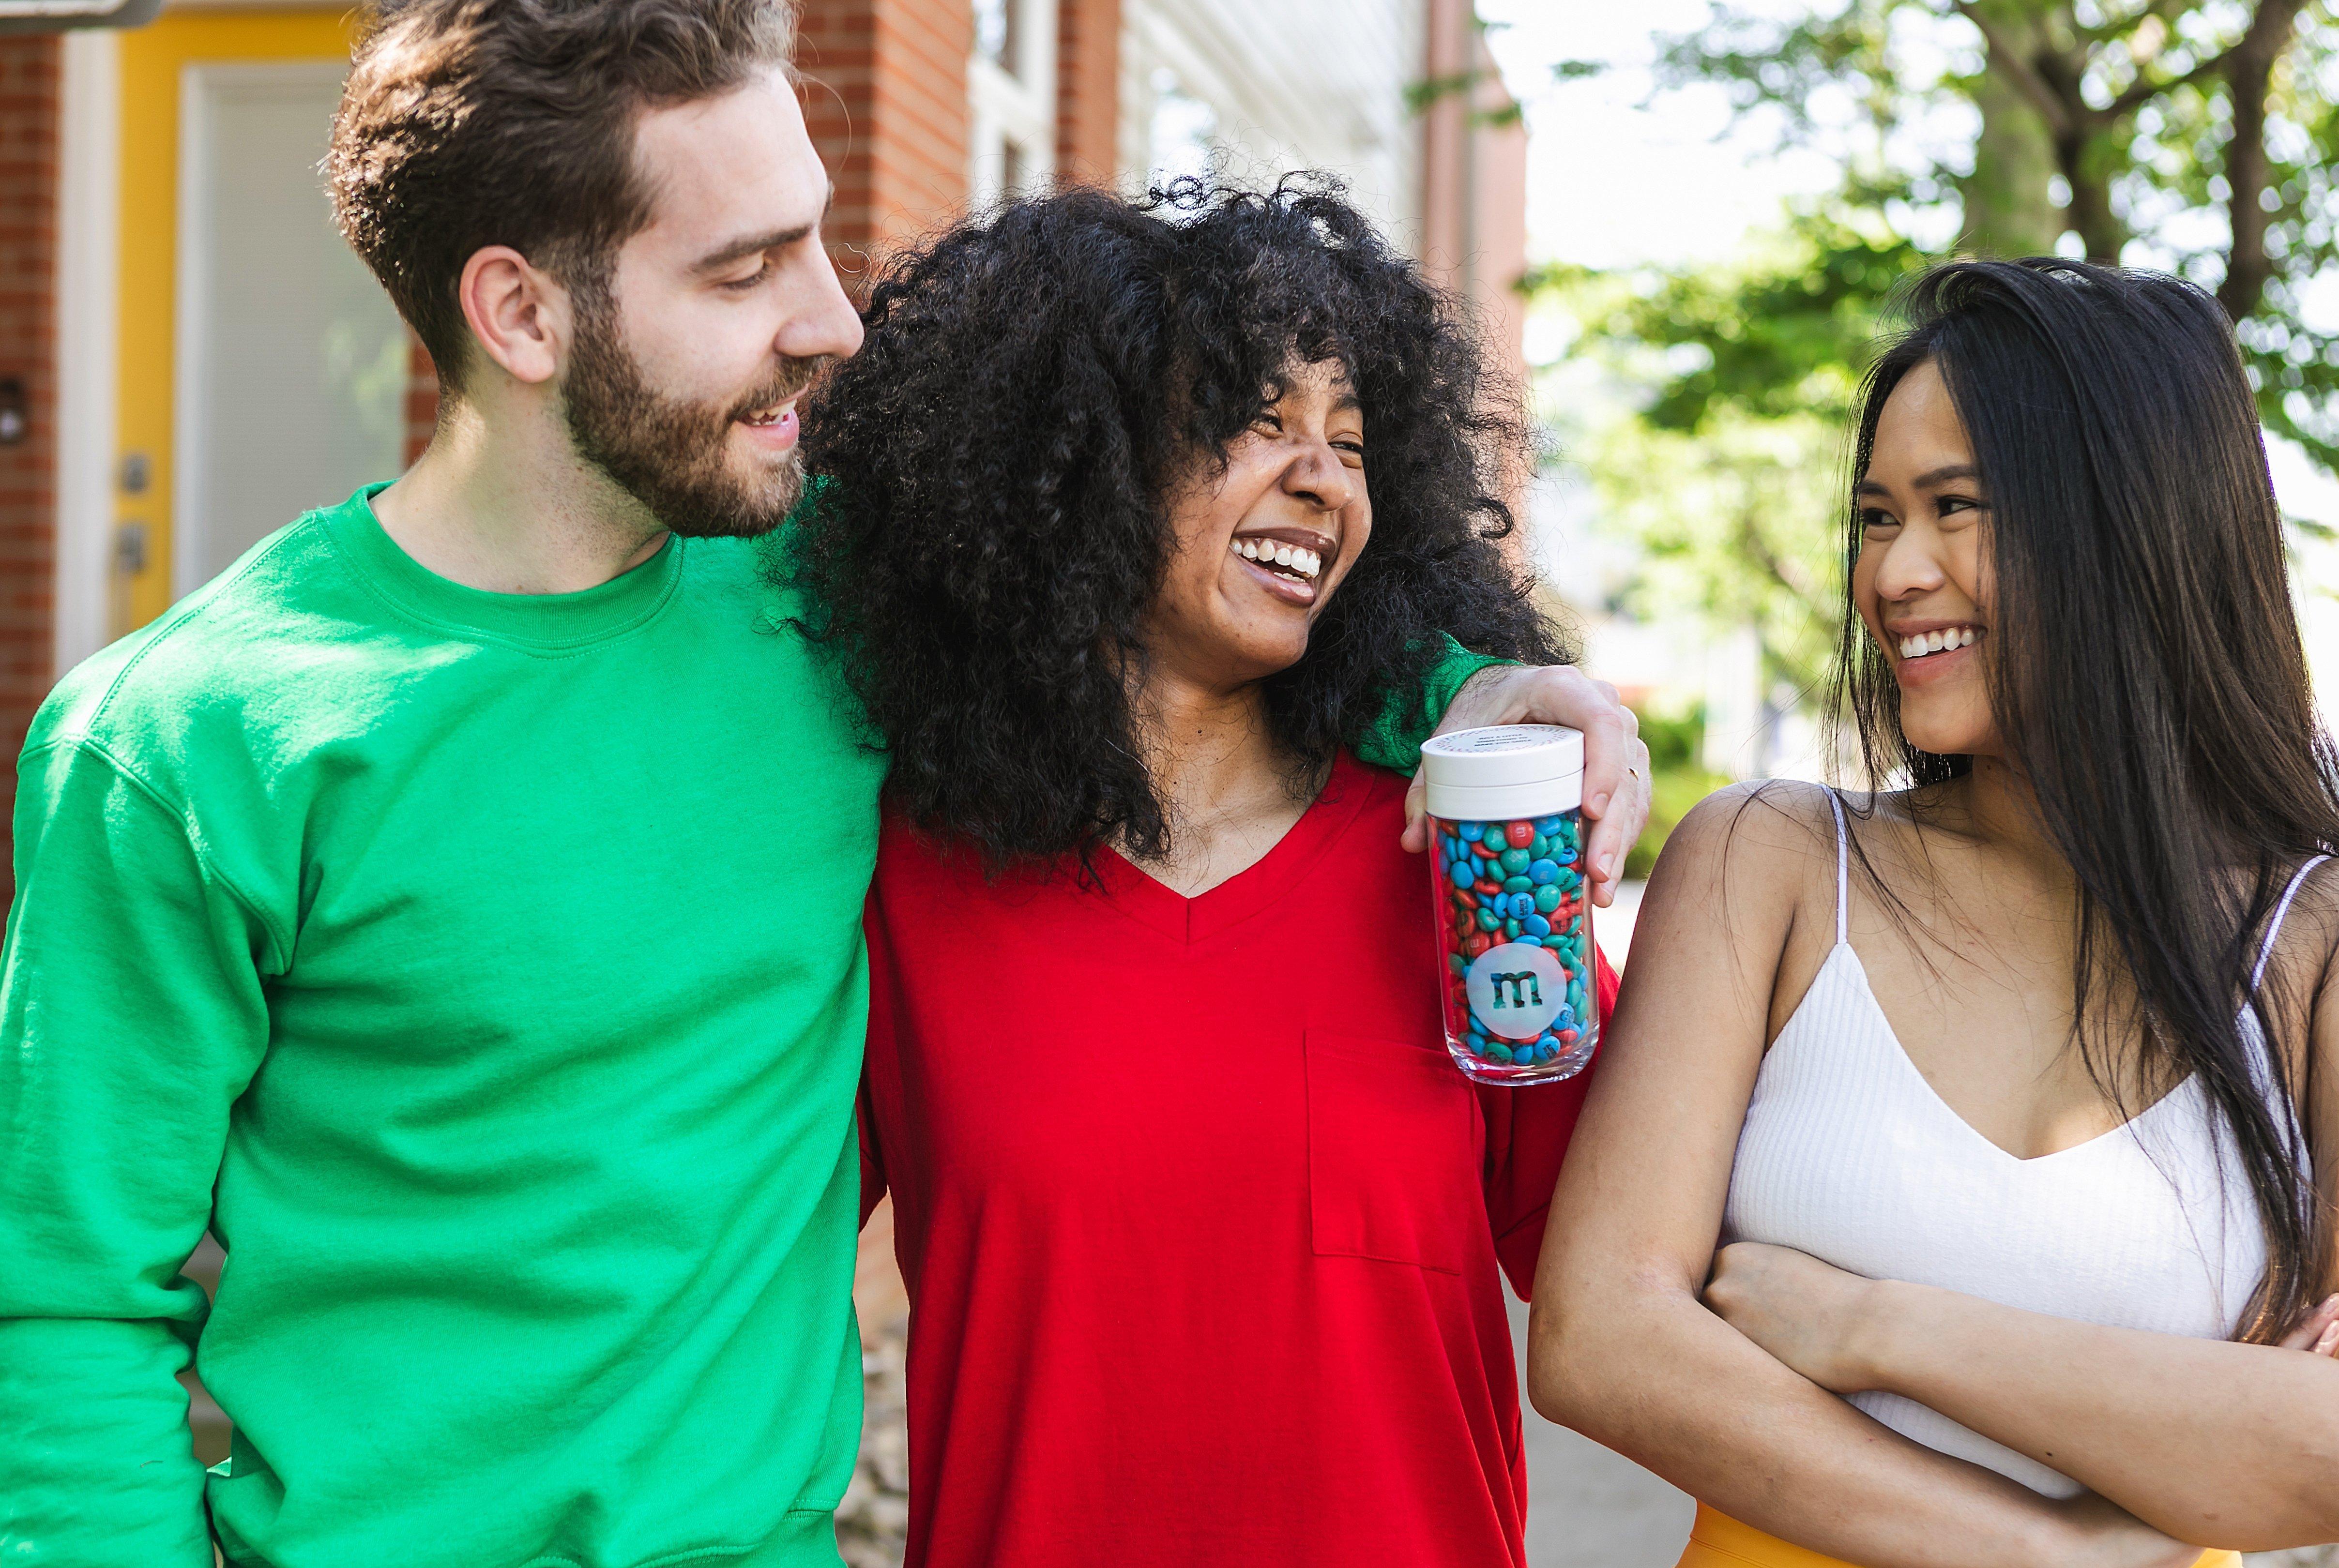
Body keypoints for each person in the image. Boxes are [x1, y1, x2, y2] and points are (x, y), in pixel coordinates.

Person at [0, 6, 1649, 1568]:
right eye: (744, 269)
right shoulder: (183, 742)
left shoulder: (829, 615)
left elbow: (1196, 588)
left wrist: (1478, 694)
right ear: (519, 314)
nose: (832, 321)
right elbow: (63, 1306)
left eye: (813, 236)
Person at [781, 178, 1621, 1568]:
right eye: (1258, 421)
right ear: (1072, 460)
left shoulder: (1471, 874)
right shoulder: (904, 888)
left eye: (1352, 444)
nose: (1322, 476)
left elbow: (1658, 1294)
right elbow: (722, 1271)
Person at [1528, 257, 2339, 1568]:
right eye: (1873, 517)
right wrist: (2057, 1551)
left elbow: (2335, 1456)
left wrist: (1877, 1332)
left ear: (2126, 524)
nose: (1893, 573)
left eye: (1952, 508)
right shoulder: (1771, 862)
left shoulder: (2318, 943)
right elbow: (1596, 1340)